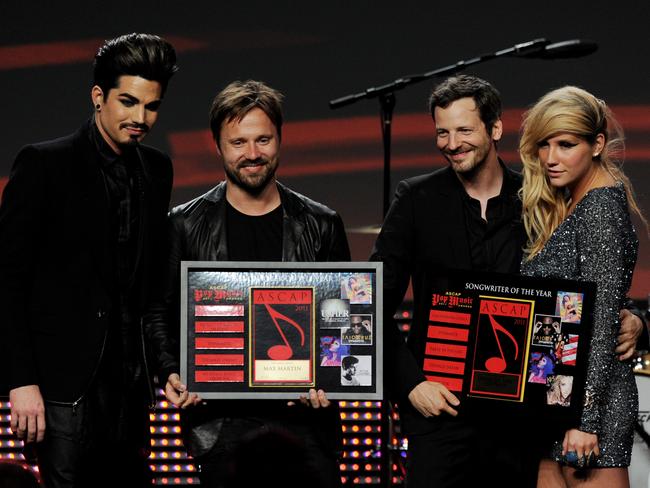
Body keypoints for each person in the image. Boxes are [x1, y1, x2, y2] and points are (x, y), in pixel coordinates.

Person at [370, 75, 644, 488]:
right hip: (439, 412)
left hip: (519, 425)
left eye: (464, 130)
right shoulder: (415, 200)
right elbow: (372, 303)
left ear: (494, 129)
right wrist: (411, 385)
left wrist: (638, 322)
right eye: (442, 132)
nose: (451, 142)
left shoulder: (540, 199)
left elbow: (590, 290)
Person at [144, 80, 350, 488]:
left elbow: (342, 315)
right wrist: (172, 371)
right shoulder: (183, 224)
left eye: (263, 140)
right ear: (217, 146)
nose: (252, 154)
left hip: (305, 419)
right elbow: (158, 311)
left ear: (280, 140)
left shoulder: (322, 222)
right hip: (220, 423)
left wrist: (332, 376)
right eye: (238, 142)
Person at [0, 33, 177, 487]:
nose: (141, 118)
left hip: (130, 389)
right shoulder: (44, 164)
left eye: (151, 106)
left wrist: (164, 367)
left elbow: (151, 286)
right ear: (98, 97)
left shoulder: (156, 171)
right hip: (61, 388)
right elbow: (8, 279)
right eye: (128, 101)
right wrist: (21, 383)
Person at [519, 86, 646, 487]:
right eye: (544, 144)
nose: (551, 158)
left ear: (597, 144)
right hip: (558, 398)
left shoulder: (600, 209)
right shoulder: (574, 201)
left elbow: (599, 321)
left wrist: (584, 420)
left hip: (590, 409)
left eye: (566, 144)